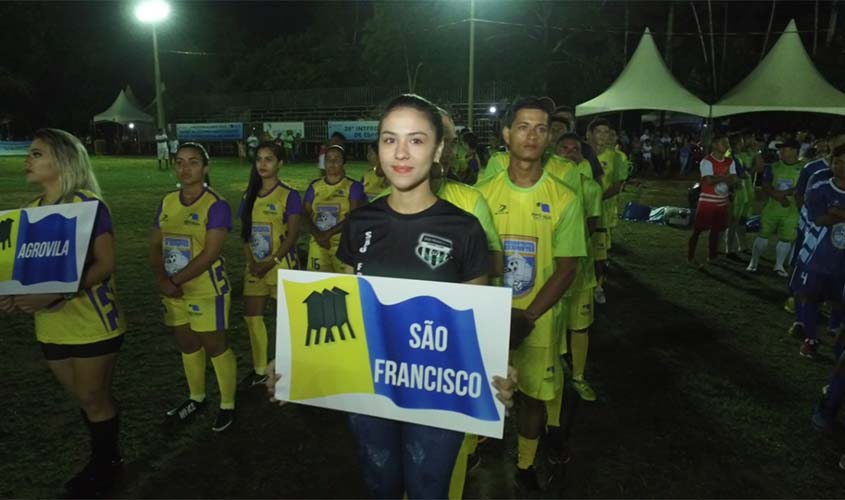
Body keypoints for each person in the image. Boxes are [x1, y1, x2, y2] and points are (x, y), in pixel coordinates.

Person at [279, 94, 516, 498]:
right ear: (377, 150)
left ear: (439, 148)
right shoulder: (361, 224)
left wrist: (496, 368)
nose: (401, 153)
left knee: (428, 490)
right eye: (390, 140)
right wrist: (293, 359)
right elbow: (344, 308)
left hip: (437, 392)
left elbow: (474, 323)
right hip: (369, 386)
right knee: (379, 485)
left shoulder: (465, 229)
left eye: (416, 140)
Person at [0, 129, 127, 497]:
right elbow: (23, 275)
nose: (28, 160)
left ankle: (106, 466)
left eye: (37, 153)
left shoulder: (89, 205)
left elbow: (105, 264)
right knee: (88, 399)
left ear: (63, 160)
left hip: (93, 323)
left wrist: (57, 293)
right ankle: (105, 454)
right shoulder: (30, 213)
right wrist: (10, 296)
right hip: (51, 326)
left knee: (92, 397)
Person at [476, 97, 586, 491]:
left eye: (541, 128)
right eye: (523, 126)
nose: (532, 135)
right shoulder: (481, 193)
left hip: (538, 317)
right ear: (506, 134)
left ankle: (525, 464)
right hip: (488, 314)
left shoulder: (565, 198)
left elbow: (568, 267)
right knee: (481, 384)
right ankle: (478, 443)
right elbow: (472, 259)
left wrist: (529, 316)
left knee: (533, 398)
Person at [151, 142, 237, 432]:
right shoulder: (167, 201)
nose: (185, 168)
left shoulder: (216, 206)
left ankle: (227, 404)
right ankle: (196, 398)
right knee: (187, 344)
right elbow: (155, 244)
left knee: (214, 346)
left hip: (205, 289)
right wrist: (162, 278)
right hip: (173, 290)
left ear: (205, 167)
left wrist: (173, 281)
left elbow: (210, 253)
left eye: (193, 162)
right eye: (180, 162)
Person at [238, 142, 302, 387]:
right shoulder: (248, 195)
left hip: (280, 266)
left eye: (269, 159)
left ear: (280, 164)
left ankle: (289, 367)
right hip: (254, 267)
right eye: (259, 160)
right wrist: (252, 261)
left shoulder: (289, 195)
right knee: (252, 317)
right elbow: (245, 234)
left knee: (285, 321)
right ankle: (259, 370)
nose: (262, 164)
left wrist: (271, 261)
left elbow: (293, 235)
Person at [551, 133, 603, 403]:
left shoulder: (591, 188)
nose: (570, 152)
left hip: (580, 270)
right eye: (564, 148)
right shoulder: (545, 184)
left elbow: (591, 227)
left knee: (579, 326)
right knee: (553, 325)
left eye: (575, 149)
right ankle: (555, 372)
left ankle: (579, 377)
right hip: (550, 270)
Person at [799, 144, 845, 364]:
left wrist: (835, 212)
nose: (842, 167)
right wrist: (832, 214)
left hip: (843, 260)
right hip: (820, 253)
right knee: (811, 297)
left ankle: (836, 333)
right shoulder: (820, 188)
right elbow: (819, 219)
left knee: (840, 301)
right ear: (831, 162)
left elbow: (829, 215)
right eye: (838, 162)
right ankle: (810, 339)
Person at [746, 139, 804, 276]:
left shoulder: (804, 168)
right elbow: (765, 184)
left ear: (795, 151)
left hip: (792, 209)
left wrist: (784, 194)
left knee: (786, 238)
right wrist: (778, 196)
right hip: (772, 207)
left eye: (785, 149)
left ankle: (779, 266)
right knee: (763, 235)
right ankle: (753, 263)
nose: (781, 151)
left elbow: (803, 187)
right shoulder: (773, 166)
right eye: (781, 149)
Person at [303, 145, 365, 272]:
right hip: (318, 244)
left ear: (344, 163)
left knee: (344, 287)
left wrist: (328, 234)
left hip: (343, 246)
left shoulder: (353, 187)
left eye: (336, 159)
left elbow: (353, 217)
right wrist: (318, 236)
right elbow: (304, 214)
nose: (332, 162)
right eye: (328, 159)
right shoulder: (314, 186)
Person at [586, 118, 626, 304]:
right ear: (590, 134)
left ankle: (598, 286)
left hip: (602, 213)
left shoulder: (616, 157)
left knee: (599, 255)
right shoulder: (582, 154)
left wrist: (596, 198)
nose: (602, 135)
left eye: (605, 132)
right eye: (598, 132)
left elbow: (618, 185)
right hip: (580, 213)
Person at [688, 134, 737, 266]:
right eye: (723, 142)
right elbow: (709, 180)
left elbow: (734, 179)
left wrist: (718, 177)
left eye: (727, 143)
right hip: (707, 202)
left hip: (722, 202)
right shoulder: (706, 161)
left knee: (716, 230)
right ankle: (691, 256)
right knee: (698, 230)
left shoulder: (730, 161)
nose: (727, 145)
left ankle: (712, 256)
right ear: (714, 144)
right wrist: (725, 177)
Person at [725, 134, 753, 260]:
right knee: (732, 222)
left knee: (736, 222)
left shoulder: (735, 156)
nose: (743, 144)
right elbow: (738, 175)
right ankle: (729, 250)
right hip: (735, 193)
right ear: (736, 143)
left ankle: (735, 247)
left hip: (741, 193)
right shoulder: (730, 157)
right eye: (741, 142)